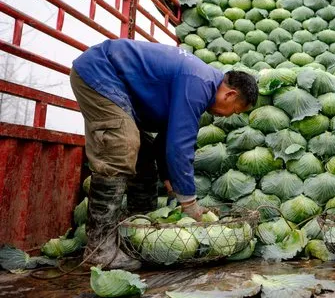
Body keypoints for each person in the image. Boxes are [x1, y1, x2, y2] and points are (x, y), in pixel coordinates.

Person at [70, 39, 258, 270]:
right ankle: (100, 250)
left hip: (119, 87)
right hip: (99, 72)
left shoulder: (201, 86)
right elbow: (180, 145)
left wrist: (169, 180)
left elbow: (168, 139)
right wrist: (190, 204)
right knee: (121, 147)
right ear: (229, 95)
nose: (228, 117)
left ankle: (137, 229)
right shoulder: (199, 83)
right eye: (235, 111)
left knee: (144, 152)